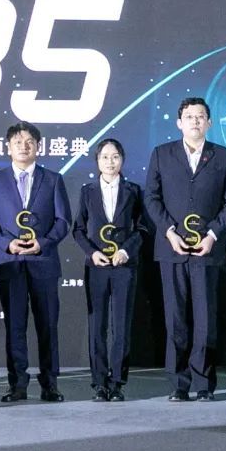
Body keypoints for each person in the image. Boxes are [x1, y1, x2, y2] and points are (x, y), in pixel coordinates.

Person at [144, 97, 226, 402]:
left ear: (209, 123)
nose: (195, 121)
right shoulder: (162, 154)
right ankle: (179, 383)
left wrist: (212, 234)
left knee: (205, 318)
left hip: (206, 249)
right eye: (189, 116)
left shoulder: (224, 156)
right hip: (171, 248)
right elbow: (151, 198)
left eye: (200, 116)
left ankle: (204, 384)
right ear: (179, 122)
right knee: (175, 318)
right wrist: (169, 232)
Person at [0, 122, 72, 403]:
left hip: (44, 262)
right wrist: (7, 243)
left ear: (38, 147)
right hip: (10, 263)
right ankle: (17, 384)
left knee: (48, 326)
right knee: (15, 326)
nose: (24, 146)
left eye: (29, 141)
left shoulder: (53, 179)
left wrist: (43, 242)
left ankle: (50, 384)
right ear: (8, 147)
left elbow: (63, 220)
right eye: (18, 141)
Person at [72, 139, 147, 402]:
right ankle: (99, 383)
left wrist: (126, 250)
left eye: (115, 156)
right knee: (97, 325)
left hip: (124, 266)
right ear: (97, 161)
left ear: (122, 159)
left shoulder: (134, 191)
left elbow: (142, 228)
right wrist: (92, 253)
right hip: (97, 266)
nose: (110, 162)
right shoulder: (87, 192)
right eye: (105, 157)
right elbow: (78, 229)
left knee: (121, 325)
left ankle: (117, 383)